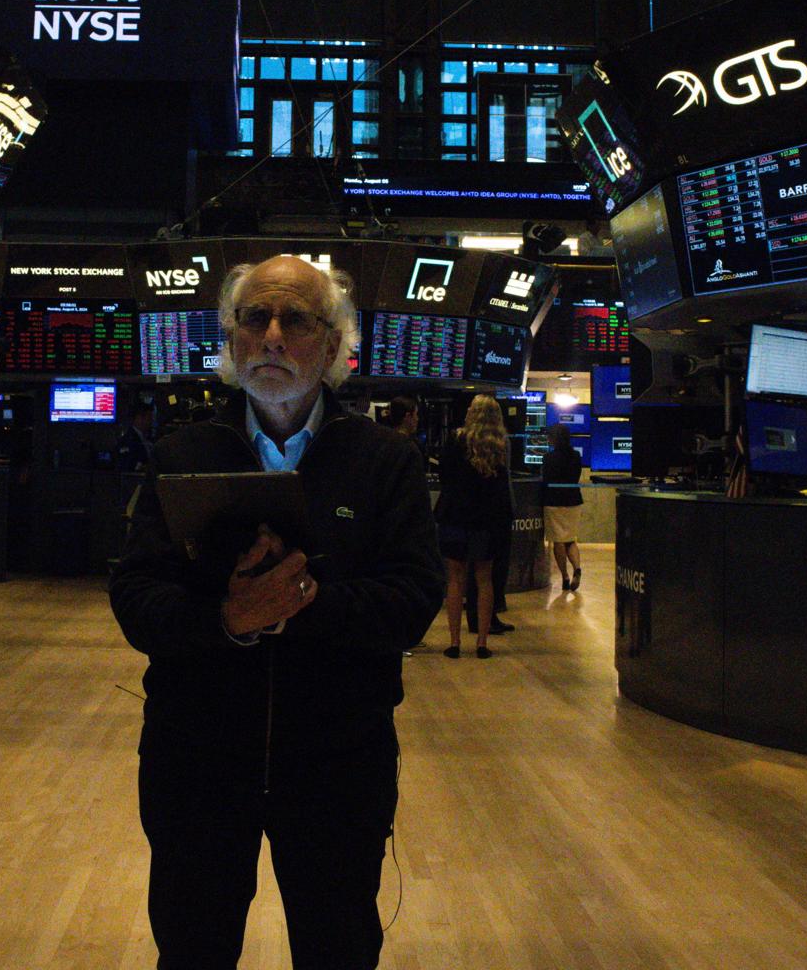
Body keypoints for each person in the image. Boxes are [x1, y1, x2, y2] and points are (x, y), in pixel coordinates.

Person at [110, 254, 444, 970]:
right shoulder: (181, 454)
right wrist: (226, 620)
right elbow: (137, 600)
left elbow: (414, 600)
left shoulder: (385, 461)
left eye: (295, 318)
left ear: (332, 345)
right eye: (252, 318)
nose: (271, 335)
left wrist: (305, 602)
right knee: (193, 951)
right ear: (231, 342)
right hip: (195, 763)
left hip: (337, 768)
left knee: (338, 950)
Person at [433, 393, 513, 659]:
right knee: (484, 579)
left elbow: (444, 476)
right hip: (486, 522)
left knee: (455, 579)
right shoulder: (499, 444)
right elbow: (501, 487)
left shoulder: (456, 440)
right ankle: (481, 642)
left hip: (455, 517)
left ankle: (454, 642)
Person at [541, 423, 585, 592]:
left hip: (553, 503)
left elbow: (545, 480)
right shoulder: (575, 456)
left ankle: (565, 577)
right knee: (570, 539)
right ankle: (577, 569)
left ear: (554, 438)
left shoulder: (548, 458)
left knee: (558, 541)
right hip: (574, 501)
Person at [116, 400, 155, 476]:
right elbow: (126, 466)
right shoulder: (127, 440)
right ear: (139, 418)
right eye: (149, 418)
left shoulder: (146, 439)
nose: (151, 421)